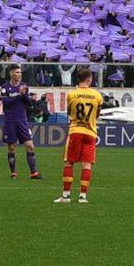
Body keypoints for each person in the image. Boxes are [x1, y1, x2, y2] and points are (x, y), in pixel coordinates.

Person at [54, 67, 103, 204]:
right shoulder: (97, 95)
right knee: (87, 165)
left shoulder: (72, 94)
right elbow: (97, 114)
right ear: (89, 79)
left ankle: (66, 196)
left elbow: (70, 112)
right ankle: (83, 196)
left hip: (76, 130)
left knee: (69, 162)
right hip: (90, 132)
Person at [0, 65, 41, 179]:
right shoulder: (5, 87)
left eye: (20, 72)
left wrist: (25, 95)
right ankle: (13, 172)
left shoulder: (23, 86)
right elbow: (6, 103)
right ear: (11, 73)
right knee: (12, 146)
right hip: (10, 120)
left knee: (30, 145)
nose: (19, 74)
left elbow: (27, 103)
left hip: (22, 120)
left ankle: (34, 172)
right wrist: (19, 95)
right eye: (17, 72)